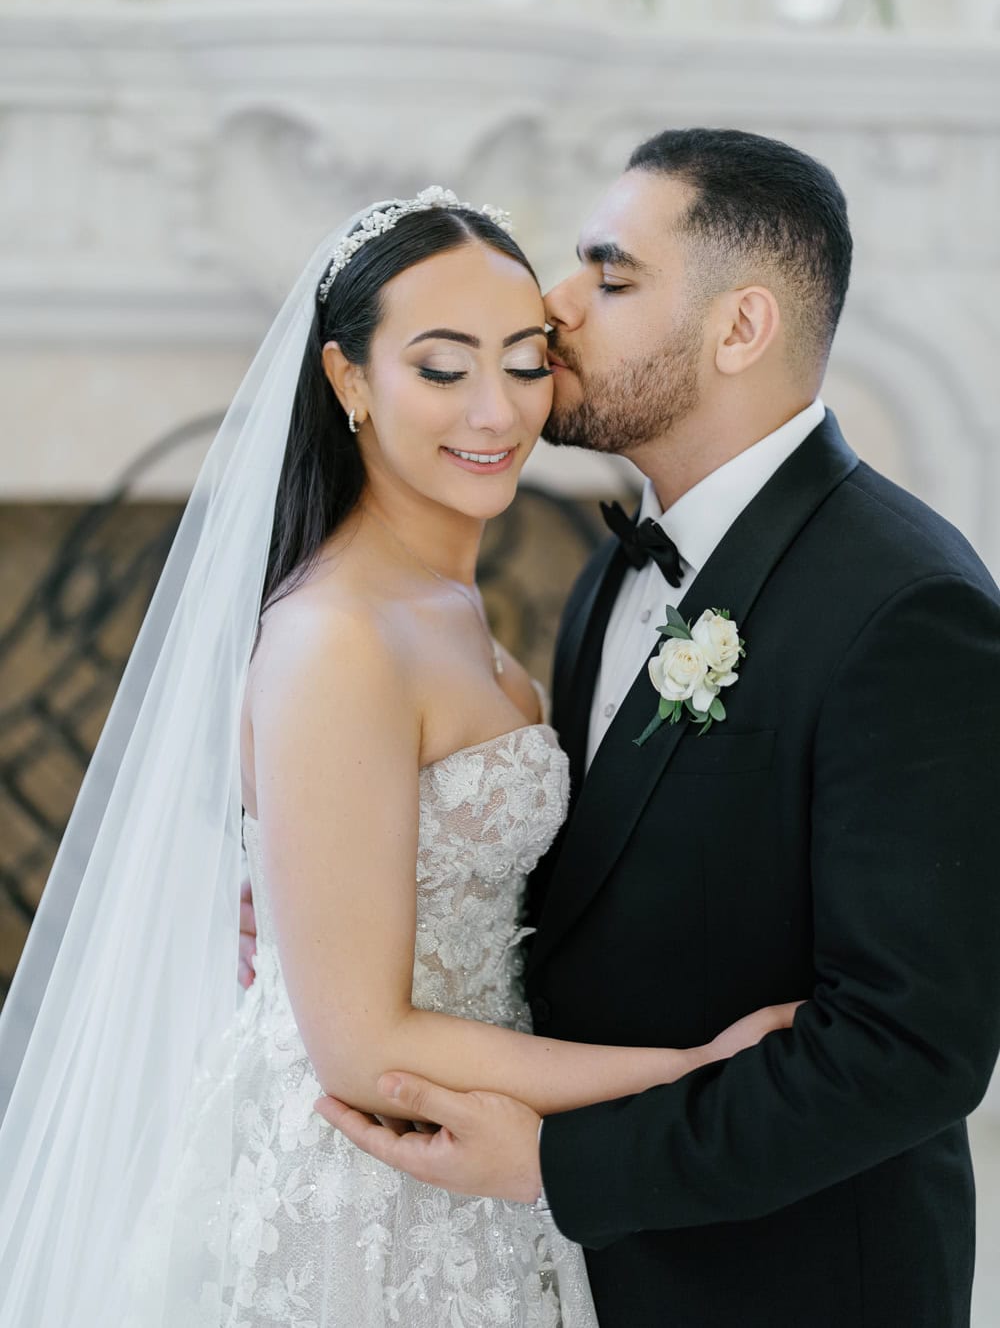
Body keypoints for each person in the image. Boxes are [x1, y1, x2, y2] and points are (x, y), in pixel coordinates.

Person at [0, 187, 797, 1328]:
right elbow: (366, 1047)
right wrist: (682, 1070)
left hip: (489, 1167)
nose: (495, 410)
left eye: (525, 362)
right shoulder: (338, 638)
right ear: (347, 382)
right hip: (369, 1200)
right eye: (440, 367)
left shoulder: (456, 606)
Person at [313, 132, 1000, 1328]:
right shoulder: (607, 573)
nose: (553, 307)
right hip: (573, 1276)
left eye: (609, 275)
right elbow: (594, 894)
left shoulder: (907, 607)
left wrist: (554, 1165)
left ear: (739, 329)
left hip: (785, 1284)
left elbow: (910, 1048)